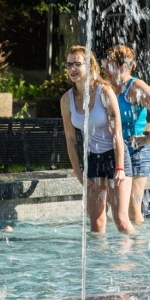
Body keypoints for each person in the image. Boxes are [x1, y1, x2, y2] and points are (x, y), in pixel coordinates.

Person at [60, 45, 134, 233]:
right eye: (69, 65)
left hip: (115, 156)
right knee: (96, 223)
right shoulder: (66, 100)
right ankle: (99, 262)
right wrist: (78, 173)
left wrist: (119, 167)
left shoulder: (104, 92)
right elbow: (70, 139)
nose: (72, 69)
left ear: (90, 66)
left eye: (77, 64)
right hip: (93, 158)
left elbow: (117, 132)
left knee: (121, 220)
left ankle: (134, 258)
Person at [103, 45, 150, 224]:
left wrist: (148, 139)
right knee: (114, 207)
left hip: (136, 151)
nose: (105, 70)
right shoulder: (108, 87)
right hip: (115, 151)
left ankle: (138, 249)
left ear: (123, 67)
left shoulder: (135, 87)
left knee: (133, 210)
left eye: (109, 65)